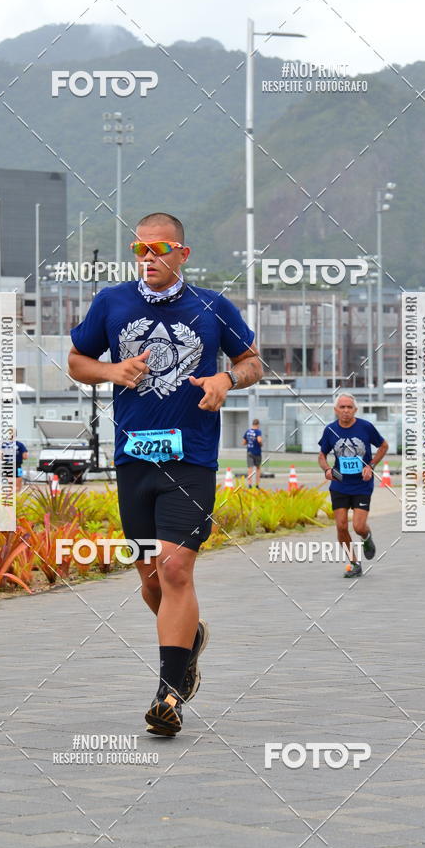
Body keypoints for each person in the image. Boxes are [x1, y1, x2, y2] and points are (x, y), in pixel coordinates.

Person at [68, 212, 263, 736]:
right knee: (152, 582)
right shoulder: (111, 302)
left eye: (159, 248)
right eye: (139, 248)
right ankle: (190, 639)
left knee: (175, 570)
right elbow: (76, 360)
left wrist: (226, 377)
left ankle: (169, 695)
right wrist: (111, 370)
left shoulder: (211, 306)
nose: (148, 257)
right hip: (133, 460)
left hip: (190, 458)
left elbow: (252, 362)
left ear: (183, 253)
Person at [317, 393, 388, 578]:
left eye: (349, 407)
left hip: (361, 485)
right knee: (341, 527)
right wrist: (326, 470)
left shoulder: (365, 427)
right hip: (340, 484)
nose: (346, 411)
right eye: (342, 407)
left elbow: (383, 446)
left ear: (355, 410)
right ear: (336, 410)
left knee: (358, 526)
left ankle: (366, 537)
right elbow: (322, 455)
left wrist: (371, 466)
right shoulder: (330, 430)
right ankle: (354, 563)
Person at [242, 418, 262, 487]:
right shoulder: (258, 432)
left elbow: (243, 442)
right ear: (258, 424)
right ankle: (257, 484)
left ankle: (250, 484)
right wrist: (261, 444)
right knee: (258, 468)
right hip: (257, 452)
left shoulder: (247, 431)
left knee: (250, 468)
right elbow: (259, 440)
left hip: (249, 452)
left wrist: (249, 441)